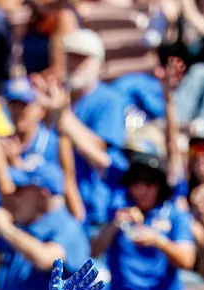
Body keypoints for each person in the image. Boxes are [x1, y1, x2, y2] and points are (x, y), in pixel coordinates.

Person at [92, 150, 196, 290]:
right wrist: (114, 226)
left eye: (150, 183)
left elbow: (188, 259)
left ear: (160, 186)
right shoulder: (118, 211)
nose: (142, 190)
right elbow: (94, 249)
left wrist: (159, 241)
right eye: (137, 183)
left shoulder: (175, 216)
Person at [57, 30, 127, 228]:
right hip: (58, 205)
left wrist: (63, 117)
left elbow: (100, 146)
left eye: (82, 58)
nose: (75, 64)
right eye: (71, 56)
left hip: (93, 207)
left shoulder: (108, 100)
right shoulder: (60, 95)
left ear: (98, 63)